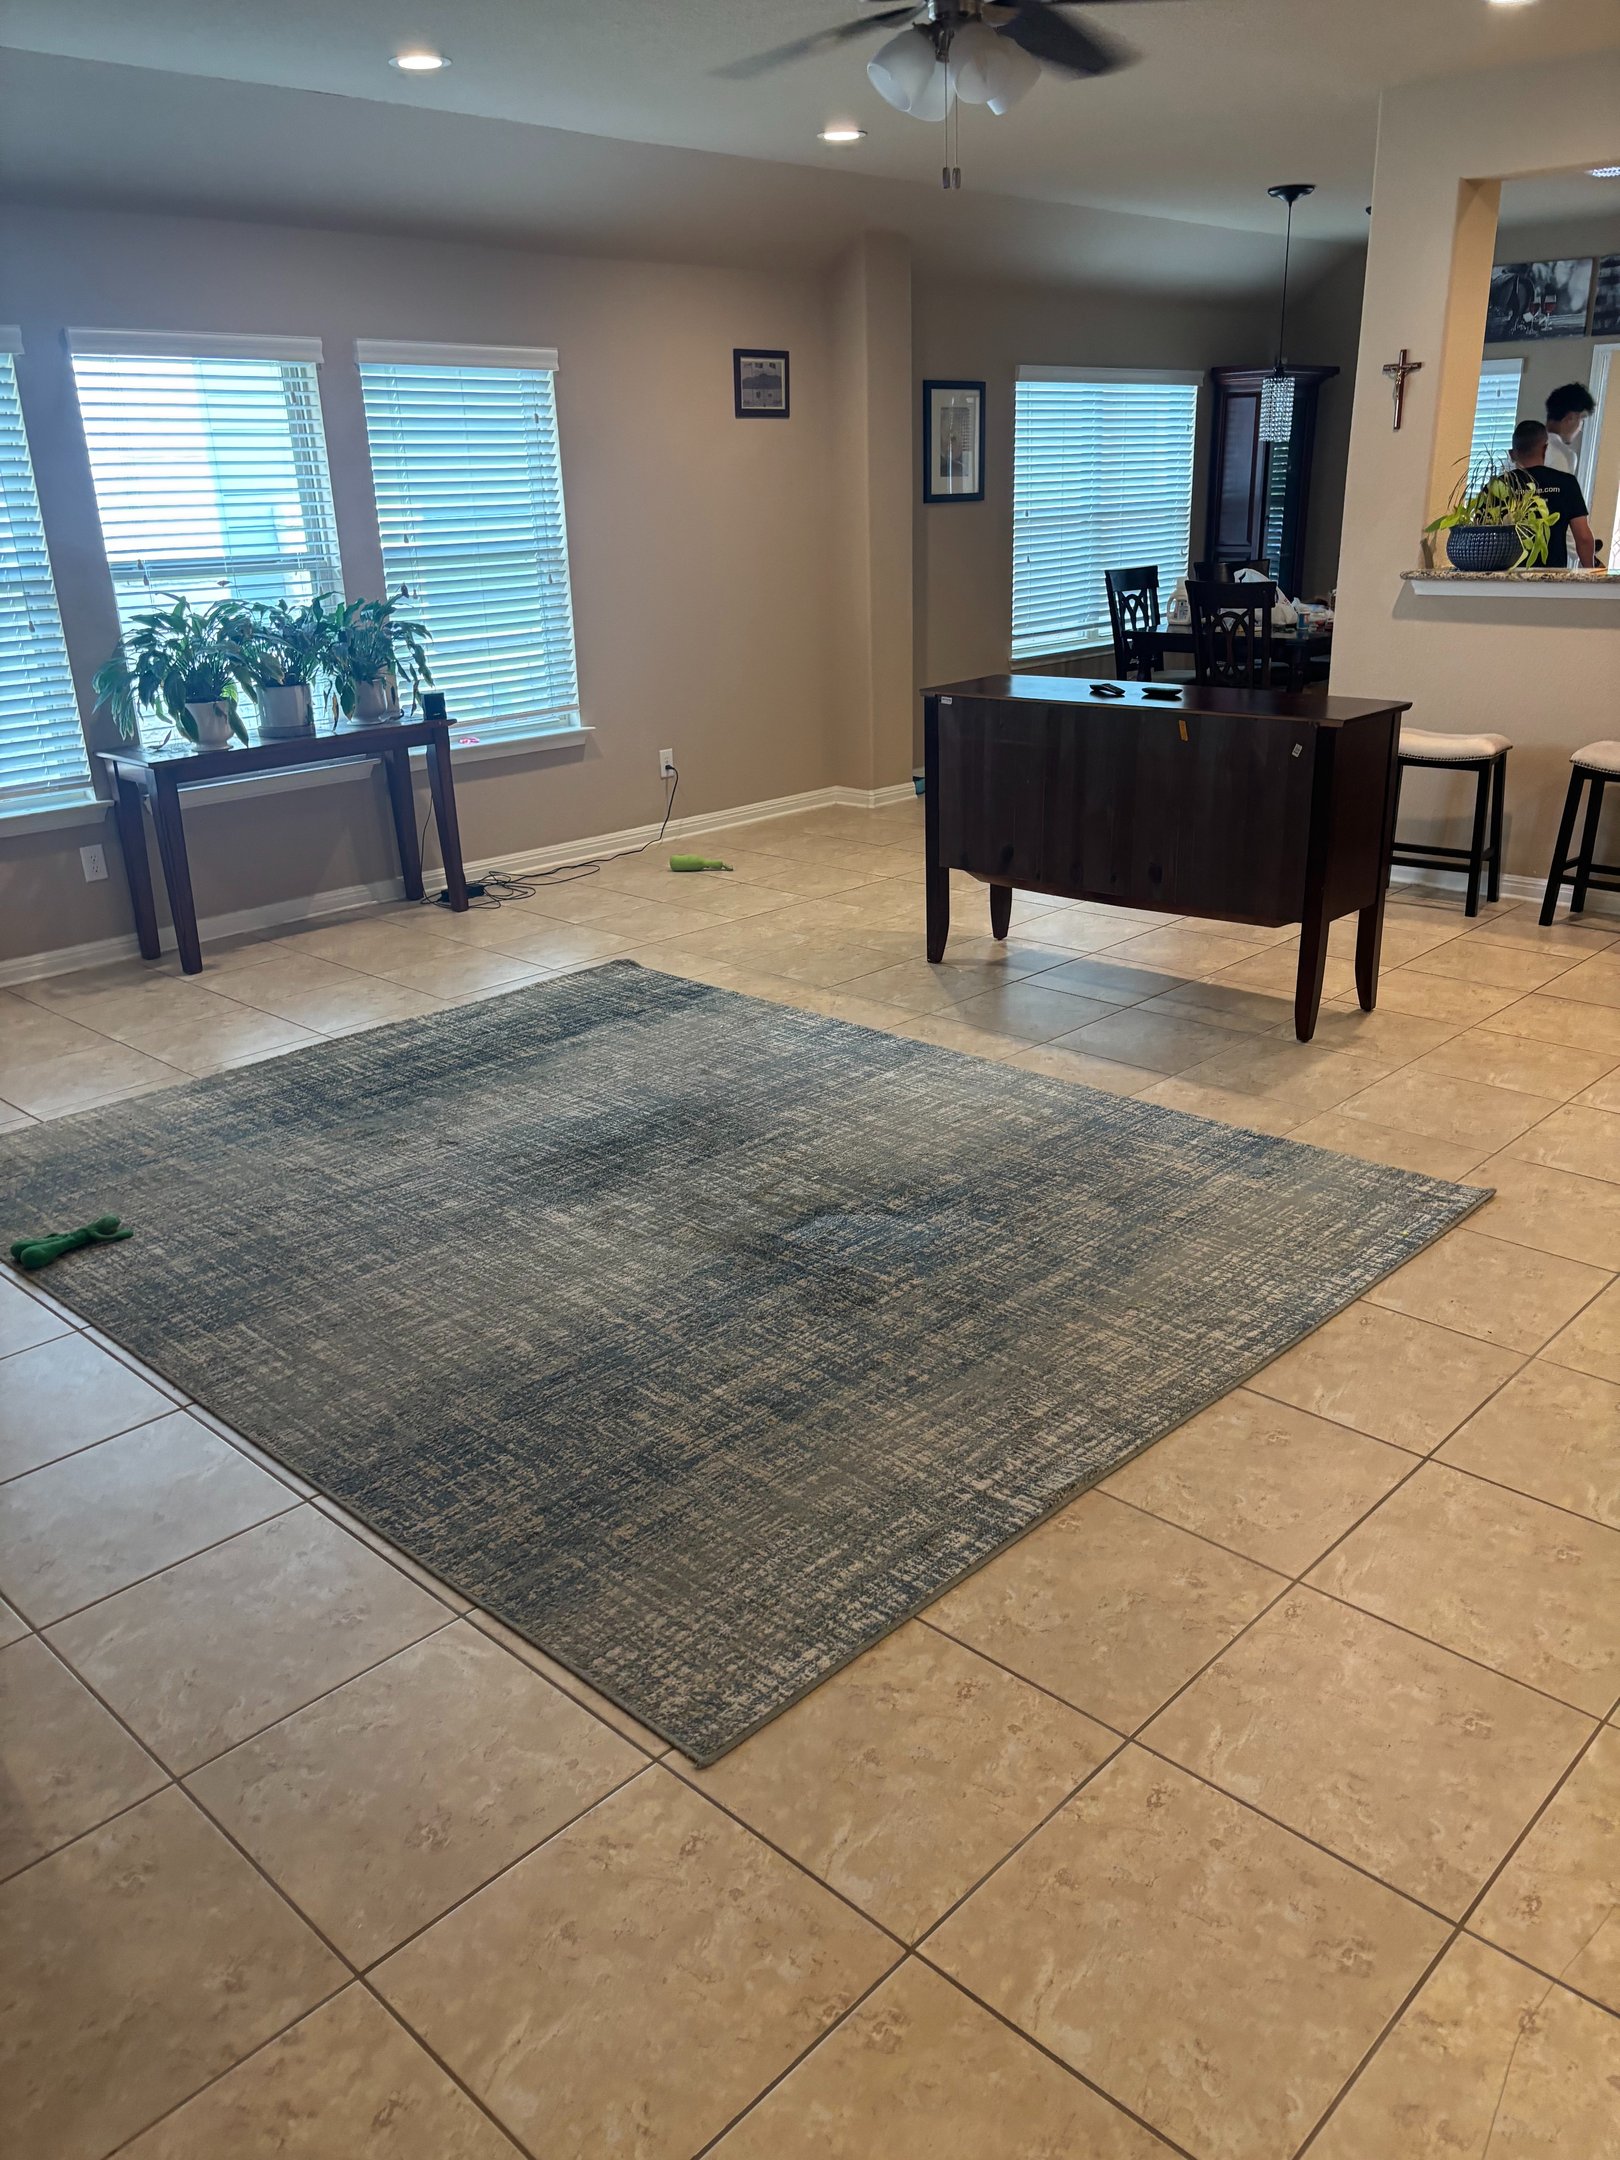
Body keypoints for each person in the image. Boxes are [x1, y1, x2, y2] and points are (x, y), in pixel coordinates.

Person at [1509, 419, 1596, 567]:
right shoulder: (1566, 483)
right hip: (1553, 579)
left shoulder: (1497, 486)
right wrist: (1591, 577)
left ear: (1512, 454)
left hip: (1505, 580)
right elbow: (1583, 537)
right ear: (1545, 449)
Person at [1542, 383, 1595, 476]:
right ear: (1571, 418)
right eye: (1582, 419)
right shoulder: (1565, 456)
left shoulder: (1524, 444)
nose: (1580, 429)